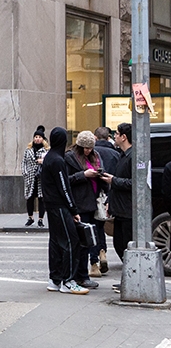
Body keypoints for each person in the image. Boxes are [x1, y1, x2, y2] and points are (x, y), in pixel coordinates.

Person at [41, 126, 88, 294]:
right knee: (71, 241)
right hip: (59, 206)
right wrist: (73, 209)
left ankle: (55, 279)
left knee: (55, 242)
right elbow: (64, 187)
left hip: (51, 206)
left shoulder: (49, 158)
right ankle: (68, 280)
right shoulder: (58, 160)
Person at [64, 130, 105, 285]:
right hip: (80, 203)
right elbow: (66, 180)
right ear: (79, 146)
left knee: (89, 241)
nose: (88, 151)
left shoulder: (96, 156)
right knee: (81, 242)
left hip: (92, 202)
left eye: (90, 148)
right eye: (85, 148)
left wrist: (100, 174)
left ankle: (82, 274)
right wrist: (84, 175)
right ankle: (80, 275)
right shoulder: (70, 158)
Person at [100, 122, 133, 269]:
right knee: (119, 243)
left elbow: (135, 183)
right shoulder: (122, 155)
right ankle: (129, 274)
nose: (115, 137)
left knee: (126, 244)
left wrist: (113, 180)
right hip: (120, 208)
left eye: (117, 134)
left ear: (124, 137)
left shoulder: (133, 156)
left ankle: (131, 275)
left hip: (128, 208)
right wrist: (109, 200)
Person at [92, 126, 120, 272]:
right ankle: (102, 251)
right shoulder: (115, 154)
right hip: (108, 195)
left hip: (92, 195)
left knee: (92, 227)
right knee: (101, 226)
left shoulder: (92, 153)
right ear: (108, 137)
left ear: (95, 138)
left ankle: (94, 261)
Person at [21, 125, 48, 227]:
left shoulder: (46, 151)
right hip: (30, 178)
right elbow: (23, 162)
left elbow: (50, 163)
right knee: (30, 198)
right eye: (36, 137)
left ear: (43, 139)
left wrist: (43, 161)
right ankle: (30, 217)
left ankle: (40, 219)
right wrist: (25, 173)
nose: (37, 139)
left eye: (39, 137)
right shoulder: (28, 150)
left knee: (41, 199)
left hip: (41, 178)